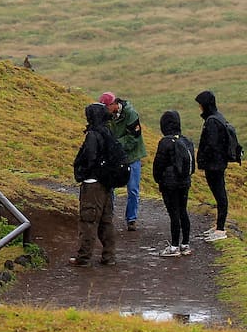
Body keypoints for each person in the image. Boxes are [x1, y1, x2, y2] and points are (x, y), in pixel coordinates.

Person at [70, 102, 118, 266]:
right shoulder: (108, 131)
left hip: (92, 184)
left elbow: (90, 158)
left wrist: (82, 173)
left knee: (88, 220)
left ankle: (84, 257)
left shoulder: (93, 135)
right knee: (106, 220)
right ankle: (109, 256)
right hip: (106, 183)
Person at [100, 91, 147, 231]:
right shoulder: (106, 115)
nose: (105, 109)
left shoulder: (131, 114)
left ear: (114, 104)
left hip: (131, 156)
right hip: (114, 156)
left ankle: (131, 219)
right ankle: (109, 216)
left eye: (107, 106)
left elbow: (134, 138)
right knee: (110, 187)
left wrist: (114, 144)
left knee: (132, 189)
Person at [152, 110, 196, 256]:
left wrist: (159, 179)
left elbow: (158, 164)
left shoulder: (165, 142)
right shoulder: (186, 141)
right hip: (184, 182)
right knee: (183, 211)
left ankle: (174, 247)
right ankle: (185, 244)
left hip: (169, 184)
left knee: (174, 214)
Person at [196, 90, 232, 242]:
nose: (199, 108)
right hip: (218, 163)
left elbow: (211, 145)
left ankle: (221, 229)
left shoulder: (211, 121)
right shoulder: (218, 117)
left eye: (200, 105)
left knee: (220, 195)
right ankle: (219, 226)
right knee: (220, 195)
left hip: (214, 165)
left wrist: (204, 161)